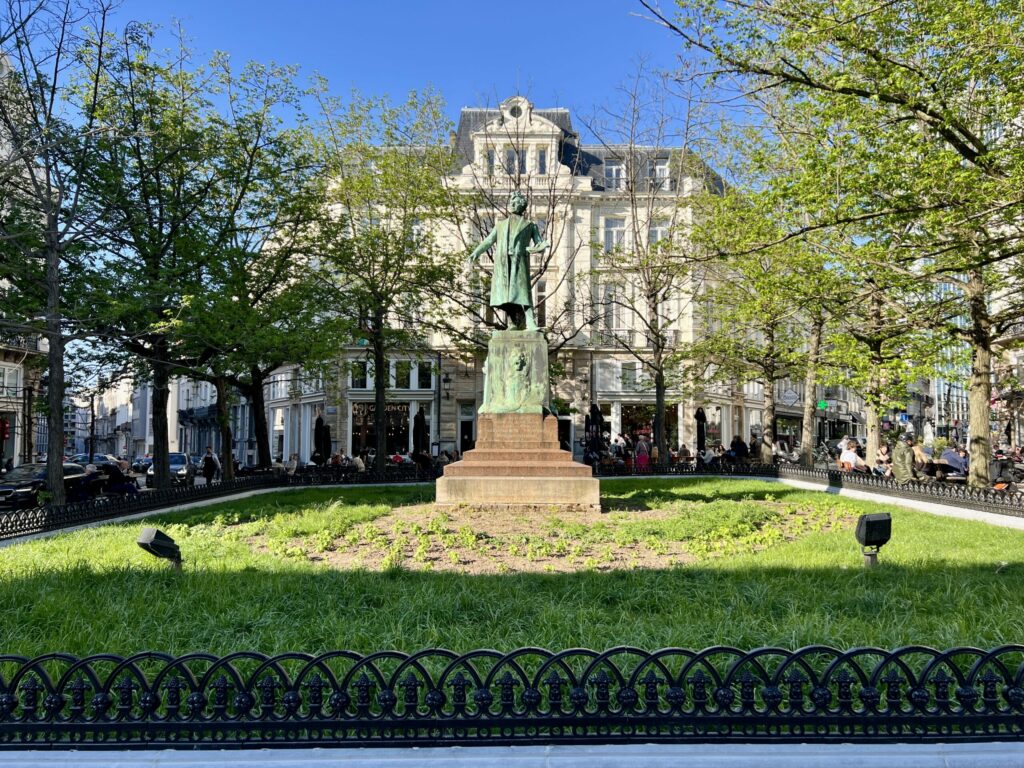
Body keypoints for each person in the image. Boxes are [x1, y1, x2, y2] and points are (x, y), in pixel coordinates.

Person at [466, 191, 548, 331]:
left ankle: (531, 322)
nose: (512, 204)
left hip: (519, 262)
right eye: (512, 202)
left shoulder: (530, 225)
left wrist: (535, 249)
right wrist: (476, 252)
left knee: (523, 292)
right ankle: (514, 324)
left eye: (515, 202)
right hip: (504, 264)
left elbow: (540, 244)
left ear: (521, 206)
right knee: (507, 295)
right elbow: (488, 241)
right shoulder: (501, 225)